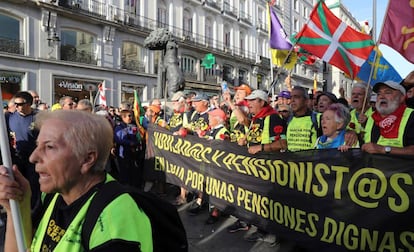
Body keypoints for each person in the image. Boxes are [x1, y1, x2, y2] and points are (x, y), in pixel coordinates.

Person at [0, 110, 152, 251]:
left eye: (50, 147)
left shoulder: (115, 220)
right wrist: (17, 208)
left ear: (87, 159)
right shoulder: (55, 194)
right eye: (37, 145)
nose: (33, 157)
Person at [241, 89, 287, 245]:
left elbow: (282, 143)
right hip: (255, 168)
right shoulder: (255, 118)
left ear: (262, 102)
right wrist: (244, 140)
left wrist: (260, 148)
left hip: (269, 168)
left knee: (270, 201)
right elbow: (252, 138)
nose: (248, 103)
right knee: (259, 201)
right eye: (248, 100)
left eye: (252, 100)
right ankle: (262, 229)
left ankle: (273, 234)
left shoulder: (273, 117)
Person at [6, 91, 40, 210]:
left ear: (29, 104)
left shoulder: (38, 117)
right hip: (17, 159)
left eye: (20, 104)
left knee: (33, 187)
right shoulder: (9, 117)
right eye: (15, 103)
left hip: (34, 160)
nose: (17, 106)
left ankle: (33, 211)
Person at [362, 80, 414, 155]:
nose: (382, 97)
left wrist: (384, 149)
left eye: (388, 92)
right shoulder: (371, 118)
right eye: (379, 94)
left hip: (400, 166)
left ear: (402, 97)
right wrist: (351, 133)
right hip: (371, 166)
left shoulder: (411, 116)